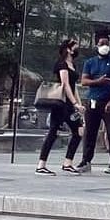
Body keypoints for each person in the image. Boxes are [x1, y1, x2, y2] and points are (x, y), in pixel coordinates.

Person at [76, 34, 110, 175]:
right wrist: (98, 81)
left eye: (106, 43)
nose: (104, 46)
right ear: (97, 45)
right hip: (92, 101)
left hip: (109, 101)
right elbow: (84, 81)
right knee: (90, 132)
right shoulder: (90, 62)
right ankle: (86, 160)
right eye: (102, 43)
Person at [36, 40, 84, 175]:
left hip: (70, 104)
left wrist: (78, 104)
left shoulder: (72, 64)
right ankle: (41, 165)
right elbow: (65, 84)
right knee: (53, 132)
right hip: (61, 104)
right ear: (68, 49)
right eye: (74, 46)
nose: (77, 48)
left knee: (79, 131)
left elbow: (74, 87)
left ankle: (68, 162)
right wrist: (75, 103)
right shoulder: (62, 64)